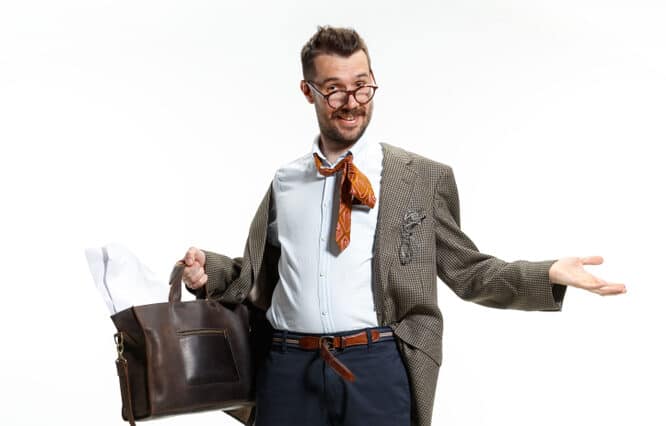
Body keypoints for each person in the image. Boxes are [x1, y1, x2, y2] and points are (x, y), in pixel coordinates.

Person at [180, 26, 626, 426]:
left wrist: (548, 273)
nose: (352, 103)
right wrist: (208, 273)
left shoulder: (420, 179)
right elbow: (259, 274)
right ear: (307, 91)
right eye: (334, 90)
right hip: (288, 367)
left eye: (362, 87)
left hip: (375, 366)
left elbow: (469, 272)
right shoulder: (286, 182)